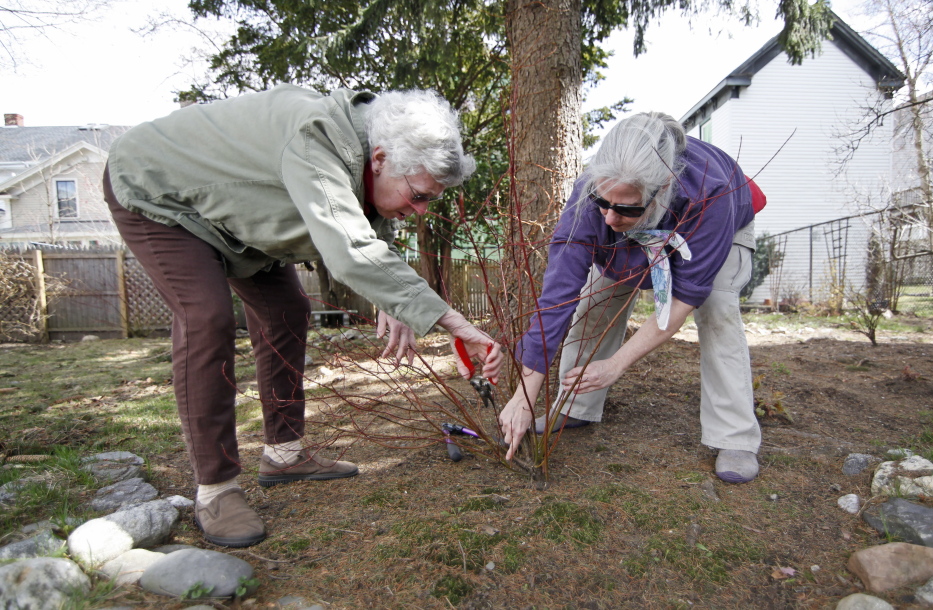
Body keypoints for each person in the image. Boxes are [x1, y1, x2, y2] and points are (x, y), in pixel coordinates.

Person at [103, 85, 502, 547]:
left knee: (287, 309)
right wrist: (456, 323)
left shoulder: (364, 153)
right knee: (206, 317)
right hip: (158, 191)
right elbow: (351, 249)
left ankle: (284, 455)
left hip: (236, 222)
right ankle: (215, 489)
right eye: (417, 195)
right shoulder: (315, 139)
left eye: (429, 199)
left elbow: (367, 224)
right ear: (379, 159)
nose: (419, 210)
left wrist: (394, 301)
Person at [499, 112, 761, 483]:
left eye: (625, 207)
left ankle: (735, 436)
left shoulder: (712, 194)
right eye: (602, 202)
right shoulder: (593, 200)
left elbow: (680, 300)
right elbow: (557, 299)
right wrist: (524, 396)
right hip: (636, 236)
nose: (608, 218)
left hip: (716, 227)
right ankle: (575, 407)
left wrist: (617, 363)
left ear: (664, 187)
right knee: (593, 302)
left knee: (716, 308)